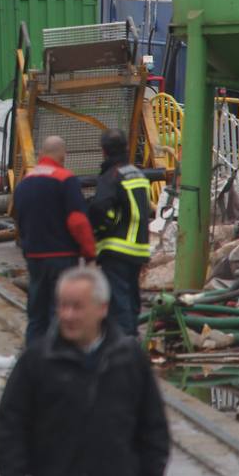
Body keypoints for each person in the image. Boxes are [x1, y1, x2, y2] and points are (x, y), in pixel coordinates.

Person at [0, 266, 170, 476]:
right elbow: (11, 422)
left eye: (77, 307)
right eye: (63, 305)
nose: (67, 315)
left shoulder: (128, 359)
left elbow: (152, 424)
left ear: (102, 308)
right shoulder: (39, 360)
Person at [12, 135, 96, 343]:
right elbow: (77, 221)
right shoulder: (65, 180)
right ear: (63, 156)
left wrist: (27, 251)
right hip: (62, 258)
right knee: (59, 312)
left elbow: (19, 221)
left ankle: (33, 357)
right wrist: (90, 254)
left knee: (36, 315)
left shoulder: (24, 184)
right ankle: (56, 360)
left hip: (35, 258)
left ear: (41, 155)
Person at [89, 129, 153, 336]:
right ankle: (131, 339)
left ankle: (124, 345)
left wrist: (100, 229)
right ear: (127, 148)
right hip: (139, 248)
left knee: (118, 299)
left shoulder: (111, 176)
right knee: (132, 296)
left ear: (103, 152)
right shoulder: (138, 174)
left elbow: (100, 208)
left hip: (116, 248)